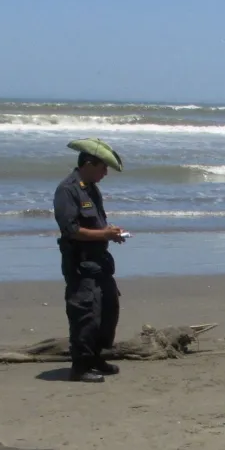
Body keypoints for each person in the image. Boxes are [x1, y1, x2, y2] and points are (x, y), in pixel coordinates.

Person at [53, 138, 127, 383]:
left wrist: (110, 232)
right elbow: (71, 230)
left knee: (108, 310)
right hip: (80, 263)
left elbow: (96, 224)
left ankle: (96, 358)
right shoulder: (68, 190)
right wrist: (104, 234)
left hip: (100, 261)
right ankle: (80, 366)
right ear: (88, 164)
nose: (105, 173)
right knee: (86, 314)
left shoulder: (91, 189)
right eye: (102, 167)